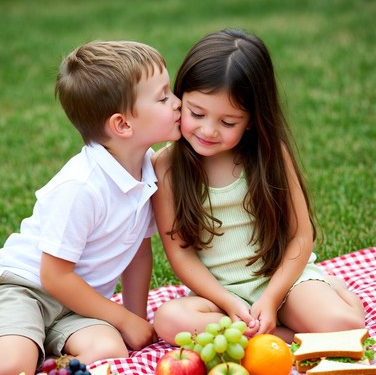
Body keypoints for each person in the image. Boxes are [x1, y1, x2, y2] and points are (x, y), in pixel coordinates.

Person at [0, 40, 181, 375]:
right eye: (164, 97)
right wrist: (122, 318)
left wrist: (136, 320)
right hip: (24, 289)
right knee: (10, 367)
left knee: (109, 351)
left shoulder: (147, 170)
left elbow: (139, 253)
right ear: (123, 125)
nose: (177, 103)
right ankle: (10, 345)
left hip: (74, 305)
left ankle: (38, 351)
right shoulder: (82, 186)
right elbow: (54, 276)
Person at [152, 28, 365, 345]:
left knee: (344, 324)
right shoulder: (166, 165)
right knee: (170, 321)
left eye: (228, 122)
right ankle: (287, 337)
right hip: (217, 295)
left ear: (252, 119)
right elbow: (181, 257)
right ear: (180, 98)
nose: (208, 130)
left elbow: (301, 235)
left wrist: (271, 298)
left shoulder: (268, 154)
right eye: (196, 113)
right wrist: (228, 302)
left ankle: (327, 295)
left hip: (284, 283)